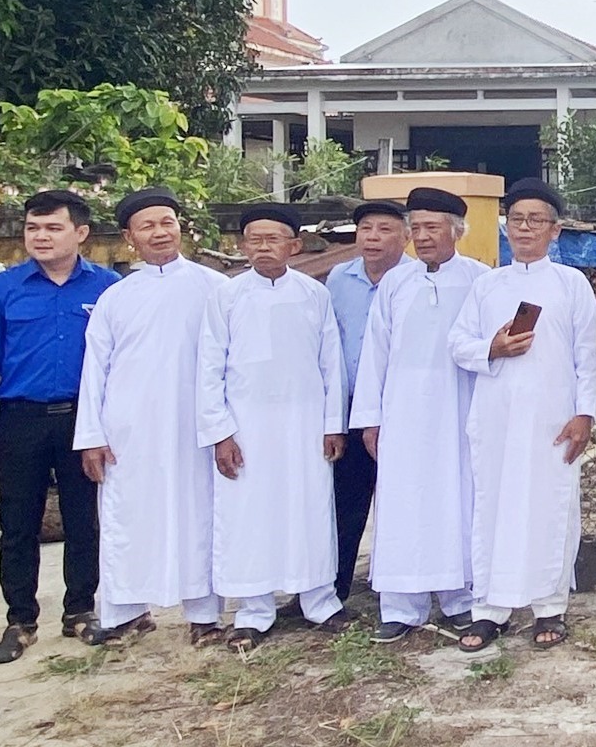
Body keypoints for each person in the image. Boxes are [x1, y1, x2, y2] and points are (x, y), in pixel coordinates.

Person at [447, 179, 596, 653]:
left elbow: (586, 357)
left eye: (537, 220)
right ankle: (489, 610)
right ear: (505, 227)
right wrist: (491, 348)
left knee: (551, 507)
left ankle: (549, 607)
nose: (526, 228)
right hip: (496, 416)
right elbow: (458, 344)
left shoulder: (571, 283)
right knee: (492, 506)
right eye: (517, 219)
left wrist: (584, 414)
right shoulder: (487, 285)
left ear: (555, 231)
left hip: (553, 420)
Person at [73, 188, 225, 649]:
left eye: (168, 222)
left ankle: (204, 615)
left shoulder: (215, 287)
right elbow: (95, 371)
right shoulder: (115, 298)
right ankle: (125, 612)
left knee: (199, 513)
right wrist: (91, 436)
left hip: (195, 426)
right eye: (148, 226)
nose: (160, 232)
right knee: (127, 516)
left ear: (181, 226)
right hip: (129, 430)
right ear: (129, 237)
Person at [198, 205, 352, 650]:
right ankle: (254, 609)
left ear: (294, 246)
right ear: (242, 246)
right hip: (245, 427)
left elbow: (330, 365)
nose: (263, 247)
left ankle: (320, 601)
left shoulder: (313, 294)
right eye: (254, 239)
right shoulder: (225, 296)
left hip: (305, 425)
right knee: (247, 514)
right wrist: (219, 432)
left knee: (310, 508)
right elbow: (209, 368)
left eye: (273, 239)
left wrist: (332, 426)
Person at [349, 187, 488, 644]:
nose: (423, 238)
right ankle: (401, 606)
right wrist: (370, 417)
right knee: (404, 503)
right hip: (403, 414)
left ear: (457, 232)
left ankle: (459, 600)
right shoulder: (395, 283)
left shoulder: (479, 280)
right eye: (417, 229)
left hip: (459, 409)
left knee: (459, 497)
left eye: (433, 228)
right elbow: (375, 353)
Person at [0, 190, 112, 662]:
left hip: (82, 419)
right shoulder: (7, 288)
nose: (40, 237)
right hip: (19, 416)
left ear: (80, 233)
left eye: (52, 228)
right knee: (17, 520)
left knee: (84, 518)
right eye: (32, 228)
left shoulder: (106, 288)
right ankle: (20, 618)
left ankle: (80, 610)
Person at [325, 199, 408, 604]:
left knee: (405, 499)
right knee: (344, 500)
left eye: (385, 229)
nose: (373, 238)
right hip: (351, 406)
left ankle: (403, 587)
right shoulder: (339, 279)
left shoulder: (417, 278)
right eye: (366, 229)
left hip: (404, 410)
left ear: (406, 237)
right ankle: (333, 589)